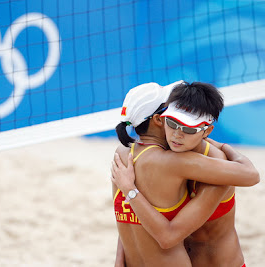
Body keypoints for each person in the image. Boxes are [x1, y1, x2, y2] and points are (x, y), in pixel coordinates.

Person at [111, 81, 259, 266]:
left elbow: (252, 175)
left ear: (207, 131)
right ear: (162, 118)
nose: (177, 134)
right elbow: (133, 222)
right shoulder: (163, 157)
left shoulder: (214, 161)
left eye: (188, 128)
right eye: (172, 122)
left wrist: (130, 190)